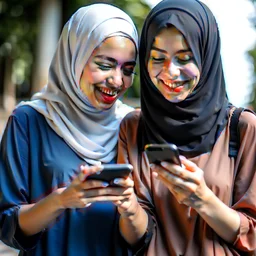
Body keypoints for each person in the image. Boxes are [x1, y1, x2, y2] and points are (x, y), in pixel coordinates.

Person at [0, 3, 140, 256]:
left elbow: (143, 235)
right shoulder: (29, 120)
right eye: (105, 64)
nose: (118, 81)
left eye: (128, 69)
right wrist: (62, 200)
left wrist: (130, 206)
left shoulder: (132, 125)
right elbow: (7, 223)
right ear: (74, 57)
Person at [117, 0, 256, 255]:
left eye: (184, 58)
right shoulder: (134, 127)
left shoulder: (243, 128)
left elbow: (254, 238)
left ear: (207, 56)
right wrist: (128, 209)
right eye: (157, 58)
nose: (170, 72)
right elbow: (135, 239)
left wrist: (203, 199)